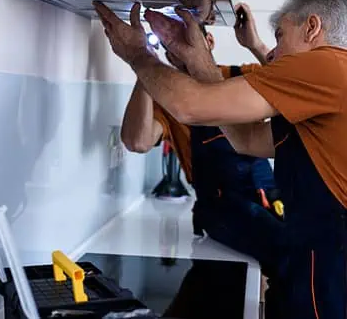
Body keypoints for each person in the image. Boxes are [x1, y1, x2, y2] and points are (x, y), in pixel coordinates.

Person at [93, 0, 347, 318]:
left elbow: (190, 107)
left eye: (280, 35)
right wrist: (196, 60)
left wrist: (138, 55)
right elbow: (247, 139)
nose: (273, 54)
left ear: (312, 27)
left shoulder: (327, 68)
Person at [120, 20, 289, 317]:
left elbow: (292, 86)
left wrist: (255, 44)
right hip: (220, 214)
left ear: (208, 41)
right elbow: (137, 141)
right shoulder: (169, 102)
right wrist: (143, 64)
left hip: (269, 200)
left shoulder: (241, 77)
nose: (174, 47)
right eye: (167, 41)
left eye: (180, 38)